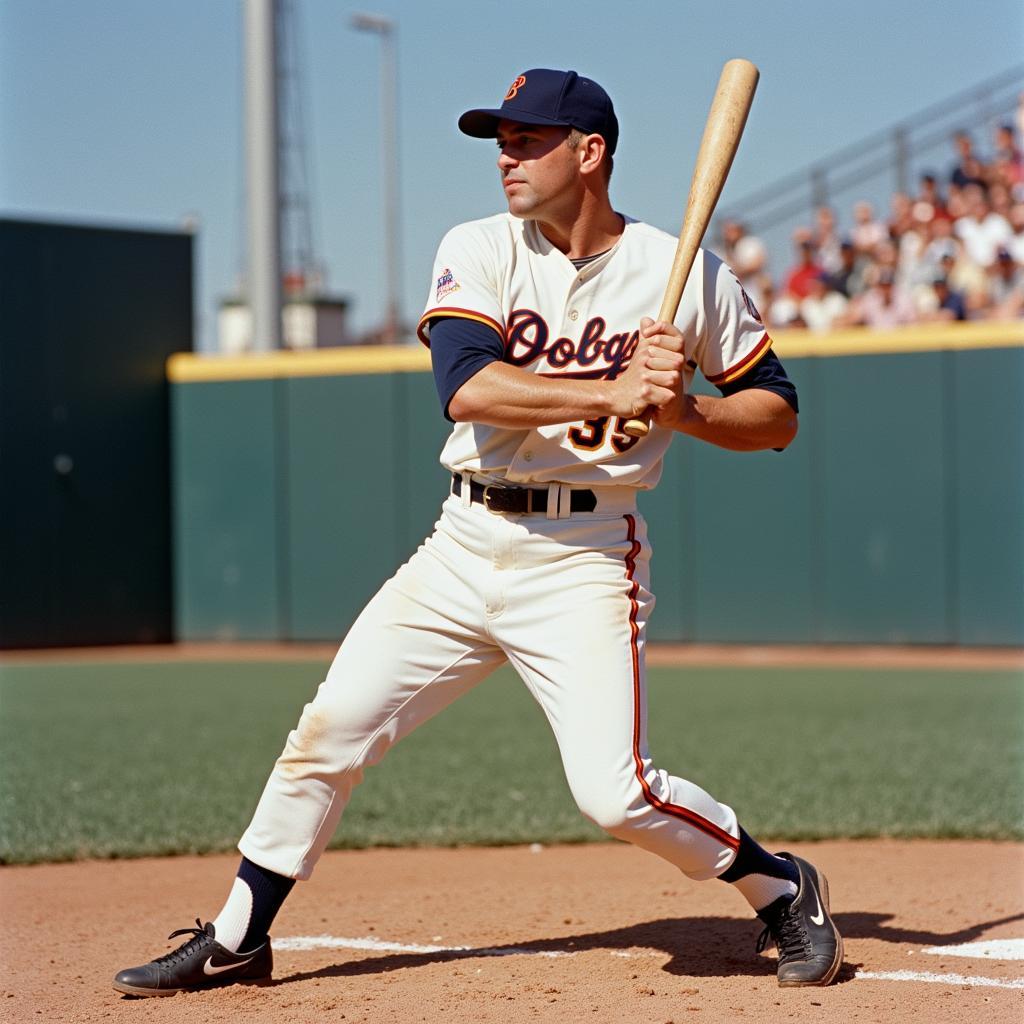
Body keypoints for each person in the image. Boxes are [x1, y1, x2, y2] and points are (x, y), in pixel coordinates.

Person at [112, 67, 843, 998]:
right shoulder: (480, 246)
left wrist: (684, 409)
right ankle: (240, 933)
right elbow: (465, 385)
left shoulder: (684, 274)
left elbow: (775, 414)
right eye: (500, 137)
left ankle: (782, 888)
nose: (506, 154)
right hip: (462, 544)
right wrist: (613, 390)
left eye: (528, 138)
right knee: (330, 729)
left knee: (614, 793)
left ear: (590, 153)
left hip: (585, 557)